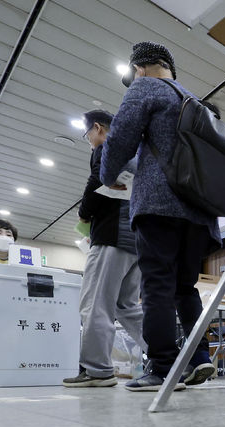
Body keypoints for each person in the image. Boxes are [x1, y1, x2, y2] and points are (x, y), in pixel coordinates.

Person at [101, 42, 221, 392]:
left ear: (140, 67)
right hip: (199, 212)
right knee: (185, 289)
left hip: (159, 205)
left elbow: (120, 138)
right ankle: (199, 359)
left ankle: (163, 369)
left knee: (157, 286)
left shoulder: (145, 87)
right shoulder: (194, 101)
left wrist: (108, 176)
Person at [62, 110, 147, 388]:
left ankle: (97, 370)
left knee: (95, 305)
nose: (88, 139)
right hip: (136, 240)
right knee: (127, 307)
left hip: (110, 237)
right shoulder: (137, 153)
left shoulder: (106, 147)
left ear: (97, 128)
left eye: (87, 133)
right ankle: (167, 357)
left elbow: (96, 181)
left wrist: (84, 212)